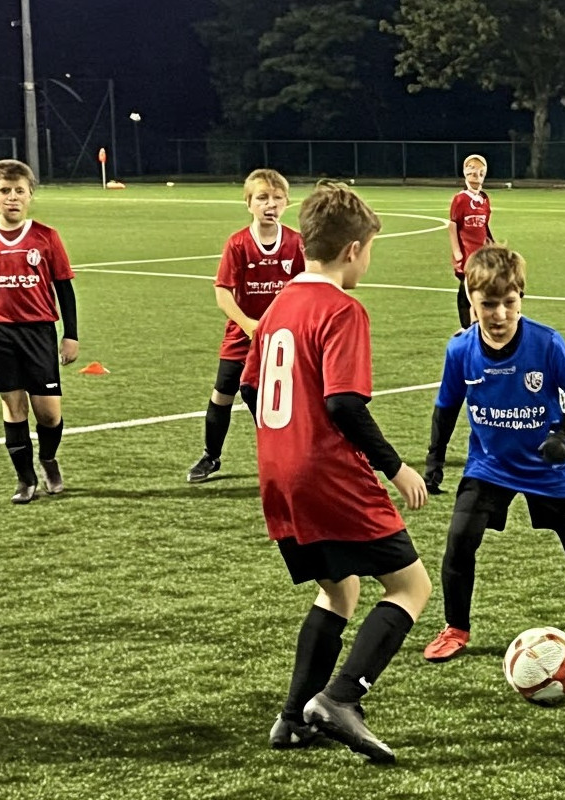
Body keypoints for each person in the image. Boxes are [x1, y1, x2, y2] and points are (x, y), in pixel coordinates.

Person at [239, 180, 431, 764]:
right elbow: (345, 403)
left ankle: (292, 718)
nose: (368, 260)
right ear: (352, 250)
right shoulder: (342, 308)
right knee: (411, 586)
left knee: (339, 589)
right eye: (369, 249)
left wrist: (286, 443)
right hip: (326, 474)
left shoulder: (278, 306)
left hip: (278, 474)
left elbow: (251, 388)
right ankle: (341, 699)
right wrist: (396, 468)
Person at [420, 244, 565, 663]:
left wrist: (563, 434)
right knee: (459, 541)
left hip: (548, 467)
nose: (500, 315)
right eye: (488, 304)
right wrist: (434, 460)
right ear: (471, 301)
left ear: (521, 298)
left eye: (509, 303)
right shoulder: (460, 351)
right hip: (490, 465)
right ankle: (456, 628)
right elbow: (447, 406)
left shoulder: (546, 343)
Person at [187, 169, 304, 483]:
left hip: (283, 338)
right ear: (249, 203)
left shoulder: (296, 243)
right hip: (243, 335)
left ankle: (287, 458)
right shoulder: (238, 243)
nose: (271, 204)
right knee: (223, 393)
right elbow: (223, 292)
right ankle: (211, 456)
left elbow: (307, 287)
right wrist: (249, 325)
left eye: (277, 198)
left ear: (286, 203)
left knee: (283, 400)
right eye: (262, 198)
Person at [0, 159, 78, 504]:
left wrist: (71, 334)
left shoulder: (46, 237)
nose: (12, 197)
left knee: (49, 413)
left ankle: (48, 459)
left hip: (39, 332)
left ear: (30, 195)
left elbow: (64, 287)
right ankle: (25, 479)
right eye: (4, 191)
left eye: (19, 190)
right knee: (14, 407)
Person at [448, 154, 495, 329]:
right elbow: (453, 226)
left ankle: (479, 321)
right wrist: (457, 251)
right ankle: (465, 324)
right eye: (472, 170)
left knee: (482, 285)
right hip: (467, 252)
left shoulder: (484, 199)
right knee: (466, 286)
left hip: (482, 252)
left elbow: (485, 225)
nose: (476, 175)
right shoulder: (460, 199)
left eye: (480, 171)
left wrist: (492, 243)